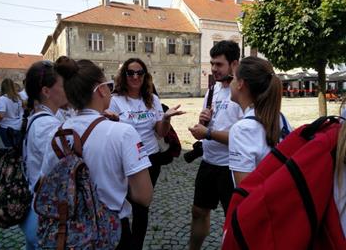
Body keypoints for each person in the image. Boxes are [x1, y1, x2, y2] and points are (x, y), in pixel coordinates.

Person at [40, 58, 153, 250]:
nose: (110, 89)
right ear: (101, 89)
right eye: (109, 85)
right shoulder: (123, 132)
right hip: (111, 230)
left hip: (70, 232)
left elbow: (45, 182)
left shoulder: (57, 134)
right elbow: (144, 196)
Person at [108, 57, 184, 250]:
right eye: (130, 73)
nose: (135, 76)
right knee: (122, 205)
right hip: (124, 161)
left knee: (142, 208)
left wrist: (166, 119)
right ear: (123, 76)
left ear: (145, 76)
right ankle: (124, 243)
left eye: (139, 73)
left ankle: (136, 246)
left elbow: (160, 132)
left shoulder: (153, 99)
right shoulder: (115, 101)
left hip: (149, 159)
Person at [187, 40, 243, 250]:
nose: (213, 69)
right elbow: (205, 128)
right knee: (198, 212)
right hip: (209, 162)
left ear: (234, 64)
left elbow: (243, 137)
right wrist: (202, 123)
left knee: (235, 218)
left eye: (219, 64)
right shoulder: (212, 90)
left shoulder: (242, 92)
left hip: (232, 167)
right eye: (212, 64)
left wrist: (208, 133)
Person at [20, 60, 68, 250]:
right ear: (46, 91)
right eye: (62, 86)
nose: (66, 89)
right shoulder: (47, 125)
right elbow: (62, 170)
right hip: (45, 216)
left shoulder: (42, 118)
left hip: (38, 209)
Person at [228, 56, 291, 186]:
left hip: (262, 204)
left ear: (241, 84)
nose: (230, 83)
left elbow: (245, 191)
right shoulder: (280, 118)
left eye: (233, 78)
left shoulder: (242, 130)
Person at [0, 78, 23, 147]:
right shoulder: (18, 97)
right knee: (16, 150)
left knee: (7, 150)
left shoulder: (3, 98)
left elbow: (1, 115)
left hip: (6, 128)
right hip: (18, 126)